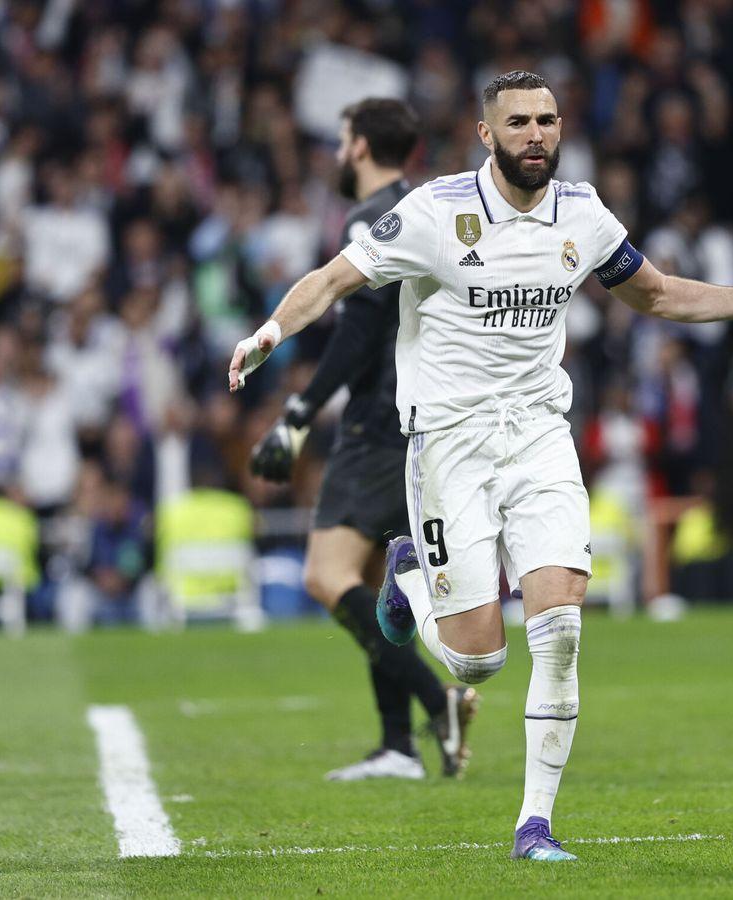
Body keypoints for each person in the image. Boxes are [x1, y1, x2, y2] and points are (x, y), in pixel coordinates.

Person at [229, 71, 733, 862]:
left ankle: (534, 828)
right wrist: (268, 335)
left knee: (562, 631)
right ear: (487, 134)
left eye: (547, 120)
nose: (536, 134)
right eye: (518, 122)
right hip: (449, 440)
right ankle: (408, 578)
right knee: (477, 662)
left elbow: (652, 295)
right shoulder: (438, 213)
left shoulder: (581, 211)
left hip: (541, 436)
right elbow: (334, 279)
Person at [247, 99, 478, 782]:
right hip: (423, 420)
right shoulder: (427, 210)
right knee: (383, 585)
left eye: (343, 139)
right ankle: (397, 747)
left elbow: (359, 328)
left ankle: (440, 702)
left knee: (326, 575)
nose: (338, 151)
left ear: (358, 148)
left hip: (377, 424)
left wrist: (298, 411)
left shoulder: (370, 220)